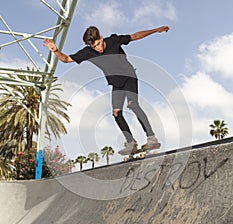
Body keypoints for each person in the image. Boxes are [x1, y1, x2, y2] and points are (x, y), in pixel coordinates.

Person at [43, 25, 170, 155]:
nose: (98, 49)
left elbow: (135, 36)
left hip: (129, 76)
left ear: (101, 38)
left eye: (98, 44)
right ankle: (131, 143)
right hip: (116, 83)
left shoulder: (113, 41)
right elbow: (66, 59)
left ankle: (151, 138)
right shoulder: (87, 52)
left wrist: (156, 30)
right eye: (94, 47)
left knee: (133, 105)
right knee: (116, 113)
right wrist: (55, 50)